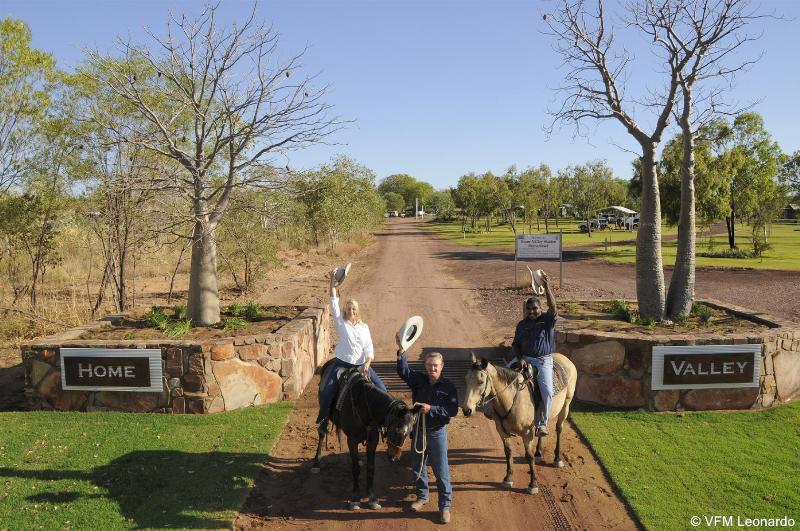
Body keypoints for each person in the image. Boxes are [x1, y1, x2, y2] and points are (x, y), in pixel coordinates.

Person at [316, 269, 387, 433]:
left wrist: (368, 362)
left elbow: (369, 346)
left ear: (357, 310)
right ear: (345, 311)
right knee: (326, 391)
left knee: (383, 389)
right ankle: (323, 420)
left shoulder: (364, 327)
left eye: (353, 309)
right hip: (342, 364)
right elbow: (333, 301)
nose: (351, 311)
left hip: (362, 365)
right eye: (348, 309)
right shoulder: (341, 323)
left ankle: (382, 421)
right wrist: (332, 281)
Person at [396, 345, 458, 525]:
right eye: (430, 365)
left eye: (436, 366)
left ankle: (445, 507)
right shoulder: (418, 380)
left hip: (437, 434)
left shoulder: (449, 387)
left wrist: (431, 409)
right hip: (418, 432)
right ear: (425, 366)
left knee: (441, 471)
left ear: (442, 366)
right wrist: (401, 352)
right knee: (418, 467)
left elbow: (452, 410)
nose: (432, 369)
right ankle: (422, 497)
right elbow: (403, 371)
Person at [510, 270, 558, 437]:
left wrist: (547, 287)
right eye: (528, 309)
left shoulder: (547, 321)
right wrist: (520, 357)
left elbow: (553, 307)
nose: (531, 311)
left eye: (535, 308)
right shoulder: (521, 324)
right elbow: (515, 345)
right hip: (524, 359)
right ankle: (498, 413)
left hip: (542, 361)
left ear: (540, 308)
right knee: (500, 376)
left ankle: (542, 424)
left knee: (547, 391)